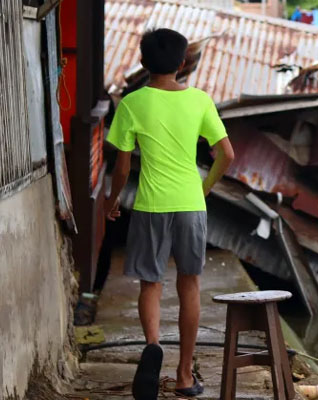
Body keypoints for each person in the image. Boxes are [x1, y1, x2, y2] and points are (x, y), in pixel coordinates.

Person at [104, 28, 235, 399]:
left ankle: (152, 346)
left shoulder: (132, 103)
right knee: (190, 284)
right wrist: (203, 188)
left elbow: (123, 166)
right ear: (182, 63)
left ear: (143, 62)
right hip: (191, 204)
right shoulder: (200, 101)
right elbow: (227, 154)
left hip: (150, 205)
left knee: (151, 284)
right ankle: (183, 375)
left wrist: (113, 200)